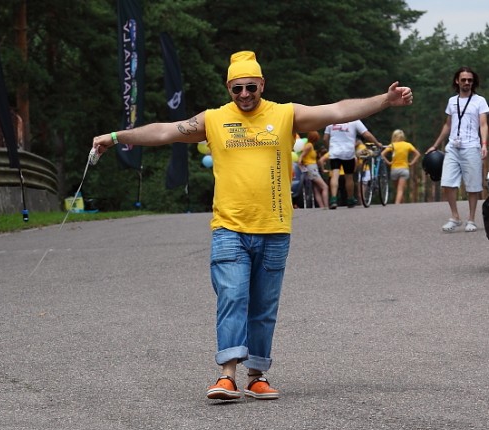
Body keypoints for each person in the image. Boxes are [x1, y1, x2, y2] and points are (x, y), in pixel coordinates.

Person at [91, 51, 413, 401]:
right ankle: (227, 375)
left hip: (274, 228)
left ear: (261, 84)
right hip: (229, 227)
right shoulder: (213, 120)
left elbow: (336, 110)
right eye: (237, 89)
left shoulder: (284, 114)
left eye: (250, 87)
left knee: (263, 305)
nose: (244, 95)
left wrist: (384, 100)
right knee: (232, 294)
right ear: (229, 88)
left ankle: (256, 376)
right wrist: (116, 135)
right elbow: (167, 131)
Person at [426, 66, 489, 232]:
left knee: (473, 185)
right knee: (447, 182)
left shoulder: (479, 101)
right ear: (457, 81)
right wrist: (435, 145)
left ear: (473, 82)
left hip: (471, 146)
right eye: (463, 80)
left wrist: (484, 144)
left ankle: (471, 219)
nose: (467, 82)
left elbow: (483, 124)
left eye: (469, 80)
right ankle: (455, 217)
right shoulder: (452, 101)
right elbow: (448, 125)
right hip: (453, 146)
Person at [323, 120, 383, 208]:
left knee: (335, 175)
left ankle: (333, 199)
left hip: (334, 152)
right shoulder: (354, 120)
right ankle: (350, 199)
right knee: (349, 176)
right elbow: (366, 134)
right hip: (348, 153)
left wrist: (330, 148)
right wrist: (377, 143)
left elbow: (325, 138)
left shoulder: (332, 120)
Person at [380, 129, 421, 204]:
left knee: (398, 190)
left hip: (394, 169)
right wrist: (412, 163)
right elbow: (418, 154)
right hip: (404, 169)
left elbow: (382, 154)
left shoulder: (392, 145)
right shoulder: (407, 145)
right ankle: (400, 205)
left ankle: (397, 205)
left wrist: (388, 162)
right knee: (400, 190)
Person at [297, 131, 329, 208]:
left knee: (316, 188)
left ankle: (322, 206)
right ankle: (326, 205)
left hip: (311, 167)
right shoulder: (309, 145)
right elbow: (301, 157)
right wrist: (301, 165)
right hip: (311, 168)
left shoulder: (310, 145)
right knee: (325, 187)